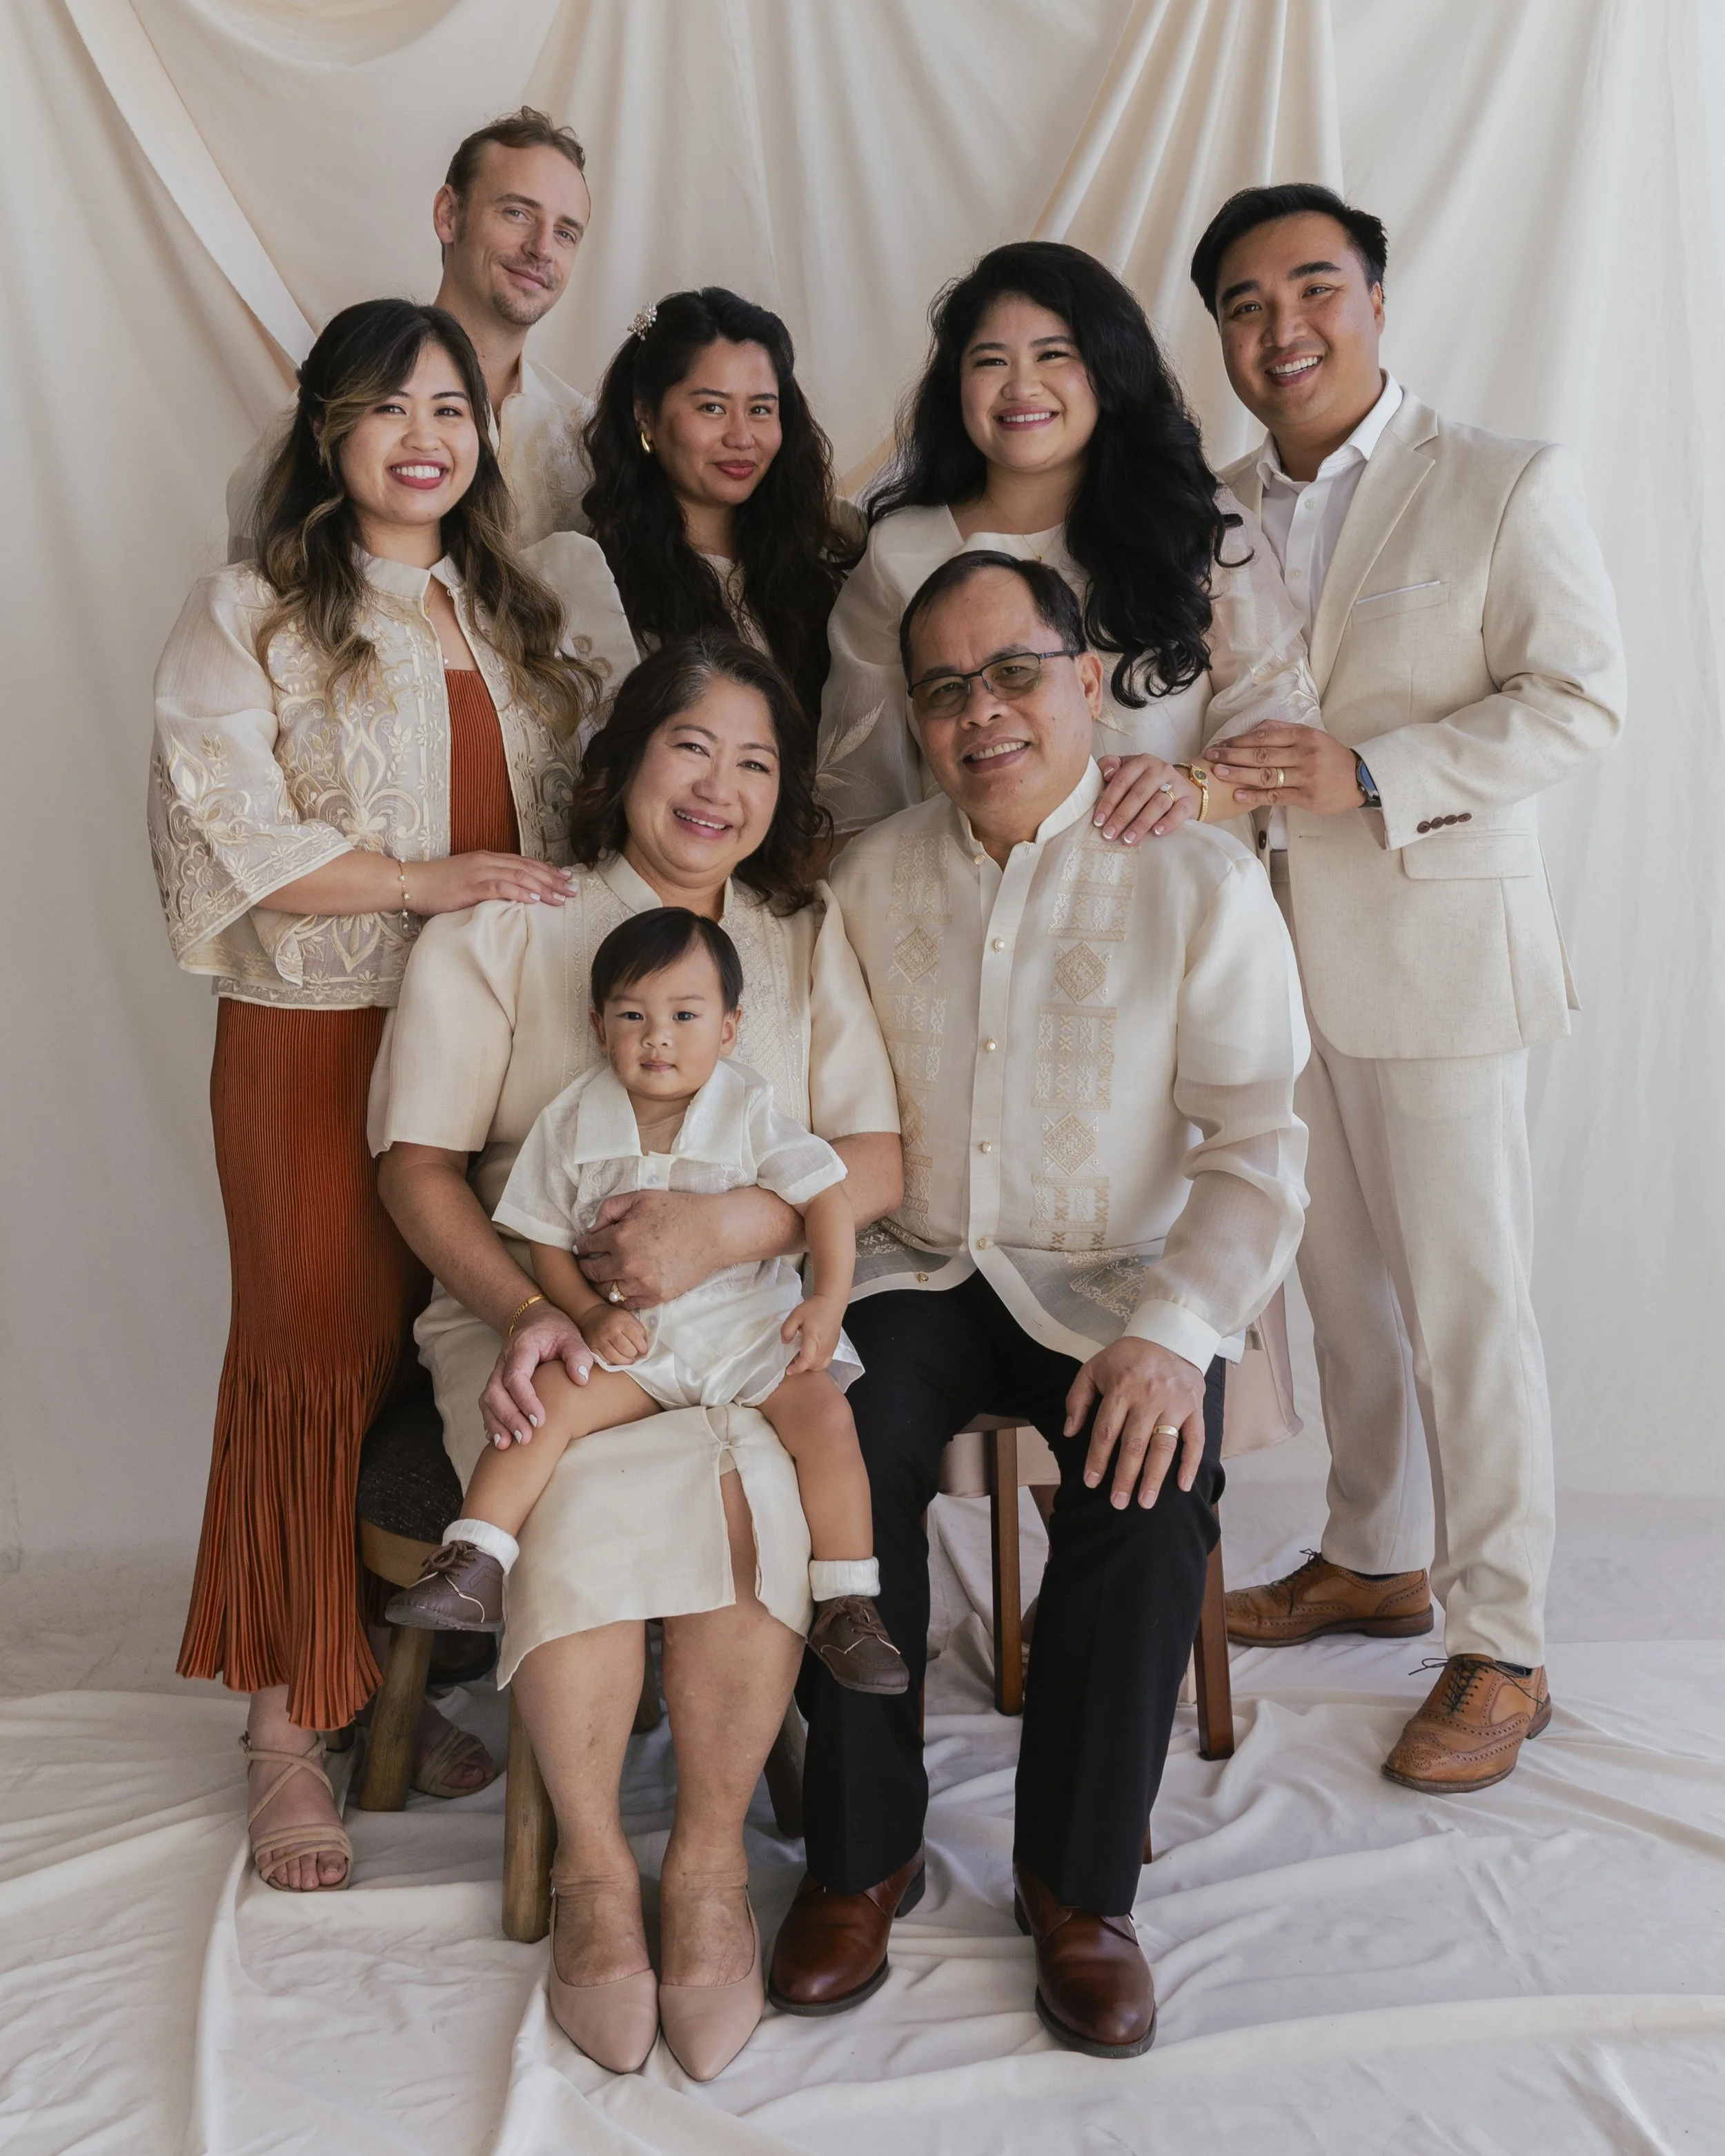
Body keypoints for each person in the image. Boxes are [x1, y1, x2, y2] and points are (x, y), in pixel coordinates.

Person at [771, 553, 1309, 2057]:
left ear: (1086, 682)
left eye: (1011, 672)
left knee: (1146, 1479)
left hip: (1119, 1281)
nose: (978, 713)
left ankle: (1078, 1887)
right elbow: (833, 1130)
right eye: (942, 688)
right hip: (924, 1261)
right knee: (834, 1439)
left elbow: (1258, 1143)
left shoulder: (1196, 873)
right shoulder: (868, 881)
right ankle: (860, 1850)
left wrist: (1173, 1331)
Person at [368, 631, 903, 2075]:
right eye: (690, 746)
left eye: (756, 760)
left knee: (762, 1491)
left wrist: (723, 1230)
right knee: (590, 1487)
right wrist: (533, 1305)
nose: (720, 786)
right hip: (531, 1308)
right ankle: (601, 1868)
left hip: (741, 1328)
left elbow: (872, 1152)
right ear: (620, 764)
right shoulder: (507, 924)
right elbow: (418, 1167)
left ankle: (710, 1865)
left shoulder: (793, 934)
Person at [149, 297, 629, 1891]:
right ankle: (289, 1726)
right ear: (328, 430)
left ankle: (381, 1683)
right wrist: (431, 878)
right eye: (389, 407)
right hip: (317, 1031)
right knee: (320, 1359)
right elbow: (233, 829)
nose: (427, 435)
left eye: (453, 408)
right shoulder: (259, 609)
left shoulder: (525, 607)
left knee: (464, 1356)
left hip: (501, 1044)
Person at [1187, 184, 1626, 1791]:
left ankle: (1500, 1639)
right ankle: (1374, 1549)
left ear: (1377, 299)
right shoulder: (1210, 508)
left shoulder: (1502, 481)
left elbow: (1581, 697)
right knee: (1339, 1296)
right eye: (1244, 303)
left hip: (1438, 948)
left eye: (1315, 288)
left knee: (1466, 1303)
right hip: (1263, 970)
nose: (1282, 326)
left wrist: (1371, 769)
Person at [386, 907, 908, 1696]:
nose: (657, 1036)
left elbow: (827, 1198)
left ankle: (847, 1600)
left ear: (729, 1030)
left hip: (747, 1339)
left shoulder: (749, 1106)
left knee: (828, 1421)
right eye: (633, 1015)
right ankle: (476, 1557)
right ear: (599, 1027)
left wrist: (828, 1300)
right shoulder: (570, 1121)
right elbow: (547, 1244)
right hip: (636, 1343)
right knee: (544, 1402)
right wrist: (588, 1315)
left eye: (684, 1016)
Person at [816, 239, 1319, 854]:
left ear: (1109, 371)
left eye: (1053, 354)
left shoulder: (1193, 522)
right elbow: (860, 798)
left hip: (1176, 905)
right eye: (991, 361)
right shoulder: (901, 554)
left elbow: (1279, 709)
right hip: (975, 921)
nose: (1021, 387)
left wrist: (1195, 787)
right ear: (956, 386)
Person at [228, 108, 595, 559]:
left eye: (565, 233)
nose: (541, 248)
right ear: (448, 214)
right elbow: (258, 605)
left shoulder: (587, 437)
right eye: (517, 213)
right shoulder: (333, 413)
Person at [582, 286, 853, 724]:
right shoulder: (597, 585)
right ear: (644, 415)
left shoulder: (821, 564)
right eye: (712, 407)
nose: (742, 438)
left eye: (761, 410)